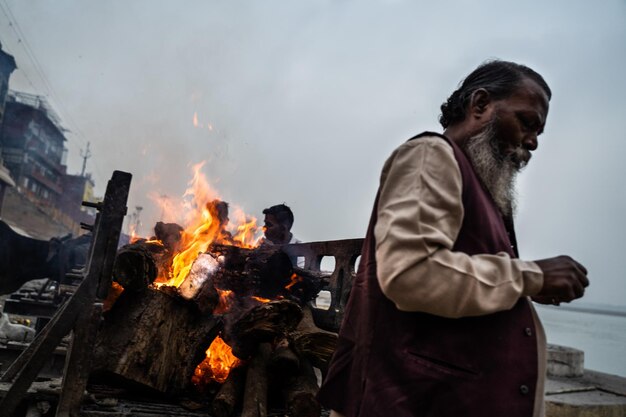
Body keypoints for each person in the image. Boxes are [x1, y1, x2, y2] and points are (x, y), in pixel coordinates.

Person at [317, 60, 589, 417]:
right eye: (527, 122)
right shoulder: (431, 156)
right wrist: (531, 275)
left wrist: (525, 287)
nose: (533, 142)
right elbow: (412, 274)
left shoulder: (477, 187)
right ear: (479, 105)